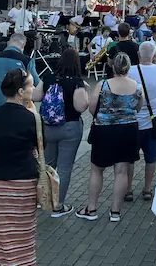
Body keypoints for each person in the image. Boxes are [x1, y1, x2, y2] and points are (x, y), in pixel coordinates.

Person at [0, 68, 39, 266]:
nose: (33, 88)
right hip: (23, 186)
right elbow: (41, 147)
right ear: (21, 92)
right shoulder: (30, 117)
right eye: (31, 84)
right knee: (23, 239)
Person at [77, 53, 142, 222]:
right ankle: (115, 211)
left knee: (97, 169)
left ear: (113, 67)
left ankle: (91, 209)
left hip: (104, 130)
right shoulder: (136, 86)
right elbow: (138, 108)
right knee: (121, 171)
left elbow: (92, 108)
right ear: (128, 68)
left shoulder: (103, 84)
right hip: (128, 129)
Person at [41, 49, 89, 217]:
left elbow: (36, 95)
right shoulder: (76, 82)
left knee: (48, 165)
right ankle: (58, 205)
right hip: (69, 127)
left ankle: (44, 199)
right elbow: (81, 107)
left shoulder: (48, 78)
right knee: (64, 167)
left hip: (48, 127)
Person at [127, 40, 156, 201]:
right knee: (151, 158)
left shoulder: (129, 71)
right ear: (155, 56)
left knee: (129, 159)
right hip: (152, 122)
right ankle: (147, 189)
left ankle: (128, 190)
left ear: (138, 55)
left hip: (132, 122)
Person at [0, 33, 43, 110]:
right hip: (18, 108)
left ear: (8, 43)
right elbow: (37, 84)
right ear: (23, 45)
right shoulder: (27, 61)